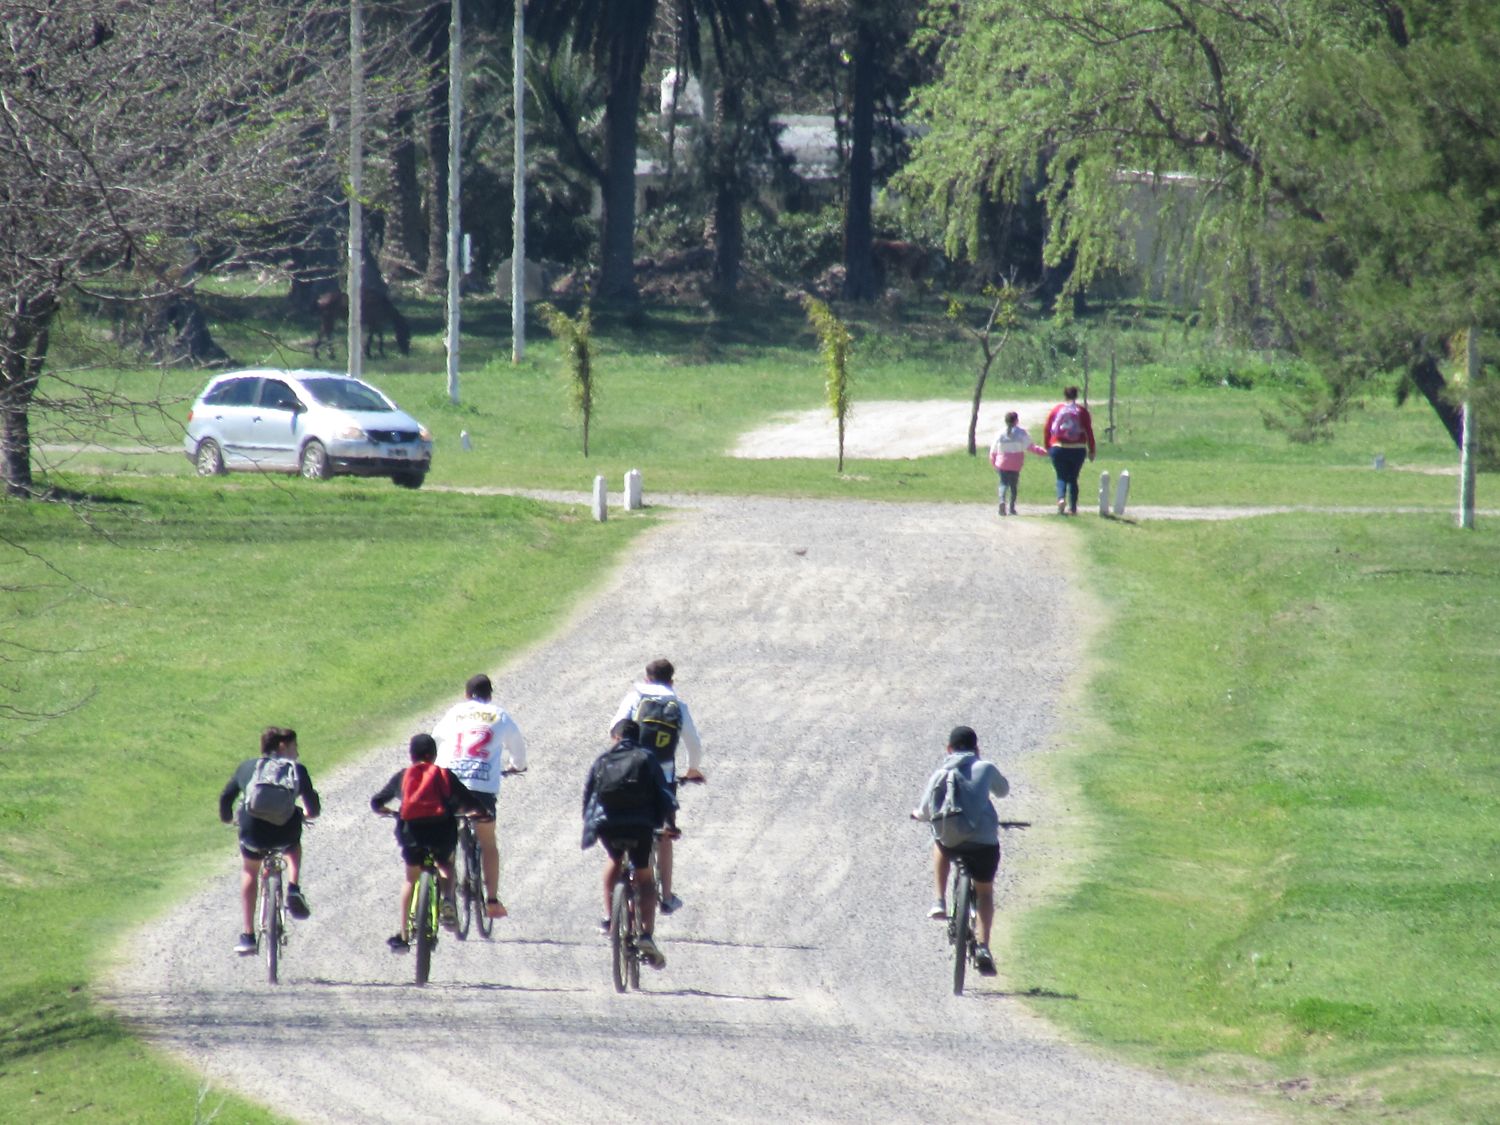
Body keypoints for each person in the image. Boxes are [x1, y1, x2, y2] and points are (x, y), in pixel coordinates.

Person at [912, 726, 1010, 977]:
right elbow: (1003, 791)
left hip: (952, 841)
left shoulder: (941, 772)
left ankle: (939, 901)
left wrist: (916, 815)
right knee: (985, 891)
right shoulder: (985, 767)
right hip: (984, 842)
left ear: (949, 749)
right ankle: (984, 947)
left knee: (940, 841)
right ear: (977, 748)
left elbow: (924, 811)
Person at [609, 658, 705, 914]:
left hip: (630, 771)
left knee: (619, 832)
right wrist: (692, 769)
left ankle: (610, 912)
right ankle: (667, 896)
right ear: (671, 681)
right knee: (664, 834)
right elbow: (693, 743)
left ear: (647, 678)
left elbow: (614, 728)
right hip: (663, 777)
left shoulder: (634, 698)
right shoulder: (678, 706)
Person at [371, 733, 482, 952]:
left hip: (411, 833)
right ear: (433, 755)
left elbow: (377, 801)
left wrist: (387, 811)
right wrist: (480, 812)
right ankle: (448, 901)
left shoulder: (403, 776)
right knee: (446, 865)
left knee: (410, 880)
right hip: (441, 832)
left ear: (411, 755)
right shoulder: (443, 775)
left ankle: (403, 936)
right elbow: (468, 801)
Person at [582, 719, 676, 969]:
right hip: (640, 826)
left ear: (615, 737)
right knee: (644, 875)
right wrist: (668, 825)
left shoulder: (603, 759)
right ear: (638, 738)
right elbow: (663, 793)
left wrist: (591, 826)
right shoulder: (647, 757)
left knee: (614, 859)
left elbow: (589, 795)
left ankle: (608, 917)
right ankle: (645, 934)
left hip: (608, 825)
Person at [219, 726, 321, 955]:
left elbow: (226, 798)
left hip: (252, 831)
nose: (297, 753)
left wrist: (228, 819)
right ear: (282, 746)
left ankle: (248, 935)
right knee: (293, 845)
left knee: (249, 870)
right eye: (295, 747)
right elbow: (313, 808)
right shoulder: (297, 770)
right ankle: (293, 888)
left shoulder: (247, 767)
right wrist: (306, 814)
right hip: (285, 831)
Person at [433, 673, 527, 920]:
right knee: (488, 842)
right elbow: (518, 751)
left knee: (447, 840)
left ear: (466, 695)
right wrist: (516, 766)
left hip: (449, 784)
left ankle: (447, 897)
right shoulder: (499, 715)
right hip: (481, 788)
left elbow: (435, 740)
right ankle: (492, 900)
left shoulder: (455, 712)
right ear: (490, 695)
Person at [1042, 385, 1096, 515]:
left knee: (1061, 476)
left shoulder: (1056, 410)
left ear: (1064, 395)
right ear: (1076, 396)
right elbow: (1089, 431)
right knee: (1073, 478)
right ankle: (1073, 508)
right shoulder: (1082, 411)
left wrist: (1048, 446)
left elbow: (1047, 429)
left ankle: (1061, 499)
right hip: (1078, 448)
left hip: (1058, 447)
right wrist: (1092, 449)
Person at [988, 410, 1048, 515]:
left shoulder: (1000, 433)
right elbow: (1031, 447)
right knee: (1013, 486)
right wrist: (1044, 452)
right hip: (1015, 464)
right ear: (1017, 421)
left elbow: (993, 450)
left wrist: (994, 463)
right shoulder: (1021, 433)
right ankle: (1012, 508)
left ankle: (1002, 501)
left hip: (1002, 463)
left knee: (1003, 484)